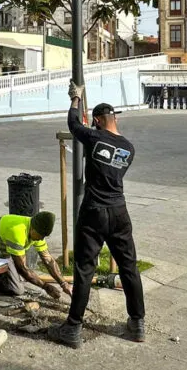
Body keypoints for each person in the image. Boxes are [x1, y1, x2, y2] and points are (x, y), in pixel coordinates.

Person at [48, 83, 145, 348]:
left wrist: (75, 98)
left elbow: (73, 124)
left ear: (98, 121)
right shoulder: (129, 149)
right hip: (120, 212)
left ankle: (73, 328)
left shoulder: (94, 138)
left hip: (94, 211)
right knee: (129, 267)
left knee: (84, 268)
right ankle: (137, 324)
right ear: (116, 120)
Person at [0, 211, 72, 312]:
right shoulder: (18, 232)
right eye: (40, 235)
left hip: (4, 249)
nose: (41, 238)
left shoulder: (38, 234)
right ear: (33, 227)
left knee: (18, 290)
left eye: (44, 236)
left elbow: (48, 261)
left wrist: (63, 283)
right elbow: (22, 269)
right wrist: (46, 287)